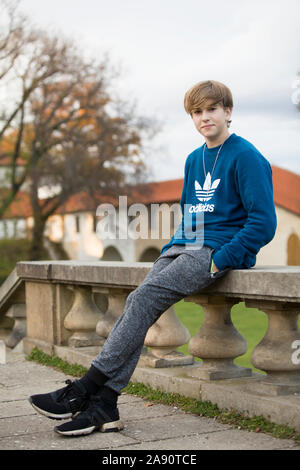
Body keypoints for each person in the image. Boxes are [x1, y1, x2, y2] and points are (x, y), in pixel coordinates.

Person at [28, 80, 277, 437]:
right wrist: (169, 251)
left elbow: (263, 222)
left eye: (211, 109)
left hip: (213, 251)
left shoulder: (247, 157)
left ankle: (84, 389)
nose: (204, 117)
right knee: (138, 304)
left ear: (228, 112)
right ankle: (105, 405)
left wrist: (221, 259)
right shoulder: (194, 159)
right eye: (197, 112)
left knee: (142, 299)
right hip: (183, 249)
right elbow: (190, 214)